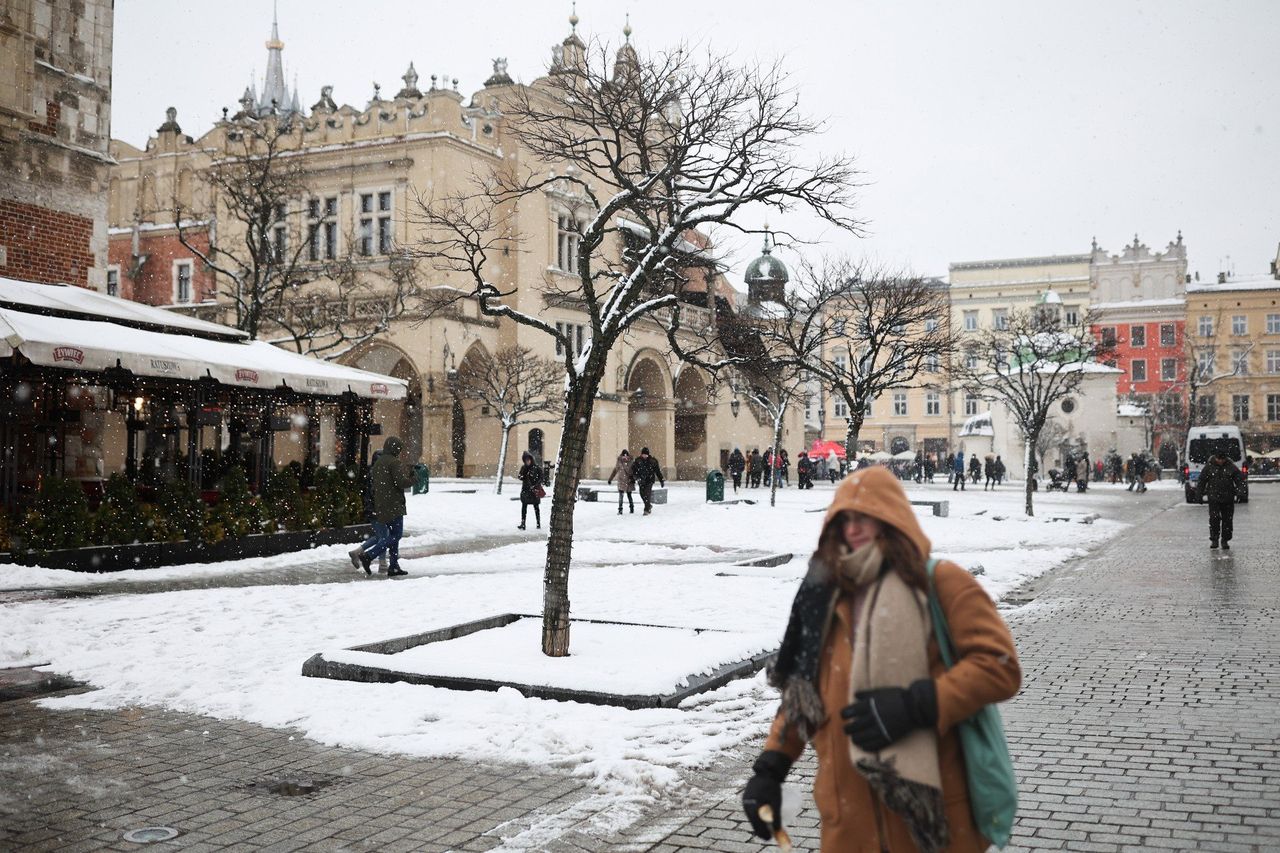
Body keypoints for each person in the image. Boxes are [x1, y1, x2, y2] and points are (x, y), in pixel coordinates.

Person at [742, 466, 1021, 851]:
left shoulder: (940, 582)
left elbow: (999, 666)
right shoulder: (823, 594)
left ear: (892, 522)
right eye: (845, 519)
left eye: (866, 518)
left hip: (930, 821)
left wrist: (917, 705)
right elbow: (802, 692)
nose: (854, 529)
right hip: (847, 827)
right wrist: (771, 766)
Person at [348, 436, 412, 577]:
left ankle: (391, 565)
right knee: (392, 536)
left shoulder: (377, 470)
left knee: (386, 536)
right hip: (384, 508)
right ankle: (372, 557)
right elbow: (398, 484)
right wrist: (413, 478)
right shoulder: (383, 469)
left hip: (382, 508)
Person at [1196, 450, 1243, 550]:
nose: (1220, 461)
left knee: (1227, 520)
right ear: (1215, 458)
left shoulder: (1231, 467)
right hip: (1213, 498)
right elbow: (1202, 481)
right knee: (1214, 518)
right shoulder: (1209, 467)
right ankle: (1214, 539)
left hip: (1228, 498)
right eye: (1219, 459)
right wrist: (1199, 494)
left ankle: (1225, 540)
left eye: (1222, 459)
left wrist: (1240, 492)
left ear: (1225, 459)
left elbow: (1239, 480)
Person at [630, 446, 666, 515]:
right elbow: (634, 471)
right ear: (641, 454)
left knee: (647, 493)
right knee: (642, 494)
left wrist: (661, 480)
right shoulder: (637, 460)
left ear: (648, 454)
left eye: (646, 454)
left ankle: (646, 510)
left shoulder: (653, 461)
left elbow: (657, 471)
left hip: (649, 480)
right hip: (641, 480)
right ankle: (648, 505)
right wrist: (635, 478)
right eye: (643, 454)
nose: (644, 456)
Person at [517, 451, 543, 529]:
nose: (527, 461)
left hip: (534, 490)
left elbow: (541, 477)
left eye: (528, 459)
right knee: (524, 507)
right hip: (525, 490)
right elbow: (520, 477)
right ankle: (523, 524)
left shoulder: (536, 467)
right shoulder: (524, 468)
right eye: (526, 460)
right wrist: (523, 475)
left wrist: (536, 484)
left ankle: (538, 523)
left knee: (536, 507)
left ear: (531, 459)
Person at [607, 449, 635, 514]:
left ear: (628, 456)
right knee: (621, 496)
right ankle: (620, 509)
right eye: (624, 456)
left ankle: (631, 508)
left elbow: (634, 471)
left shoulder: (631, 462)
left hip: (629, 481)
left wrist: (633, 478)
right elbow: (615, 470)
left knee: (629, 495)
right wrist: (610, 479)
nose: (625, 457)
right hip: (621, 481)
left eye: (626, 456)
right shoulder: (619, 462)